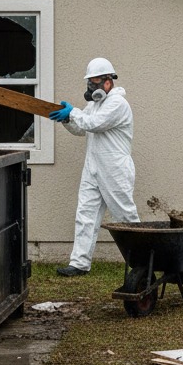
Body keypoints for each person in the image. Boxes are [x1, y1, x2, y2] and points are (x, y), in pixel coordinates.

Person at [48, 57, 140, 277]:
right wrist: (67, 120)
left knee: (125, 216)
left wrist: (72, 113)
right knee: (85, 214)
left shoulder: (118, 104)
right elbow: (82, 129)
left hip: (115, 169)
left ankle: (142, 261)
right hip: (93, 167)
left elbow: (94, 124)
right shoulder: (94, 104)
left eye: (96, 80)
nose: (92, 86)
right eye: (90, 80)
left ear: (109, 81)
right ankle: (79, 263)